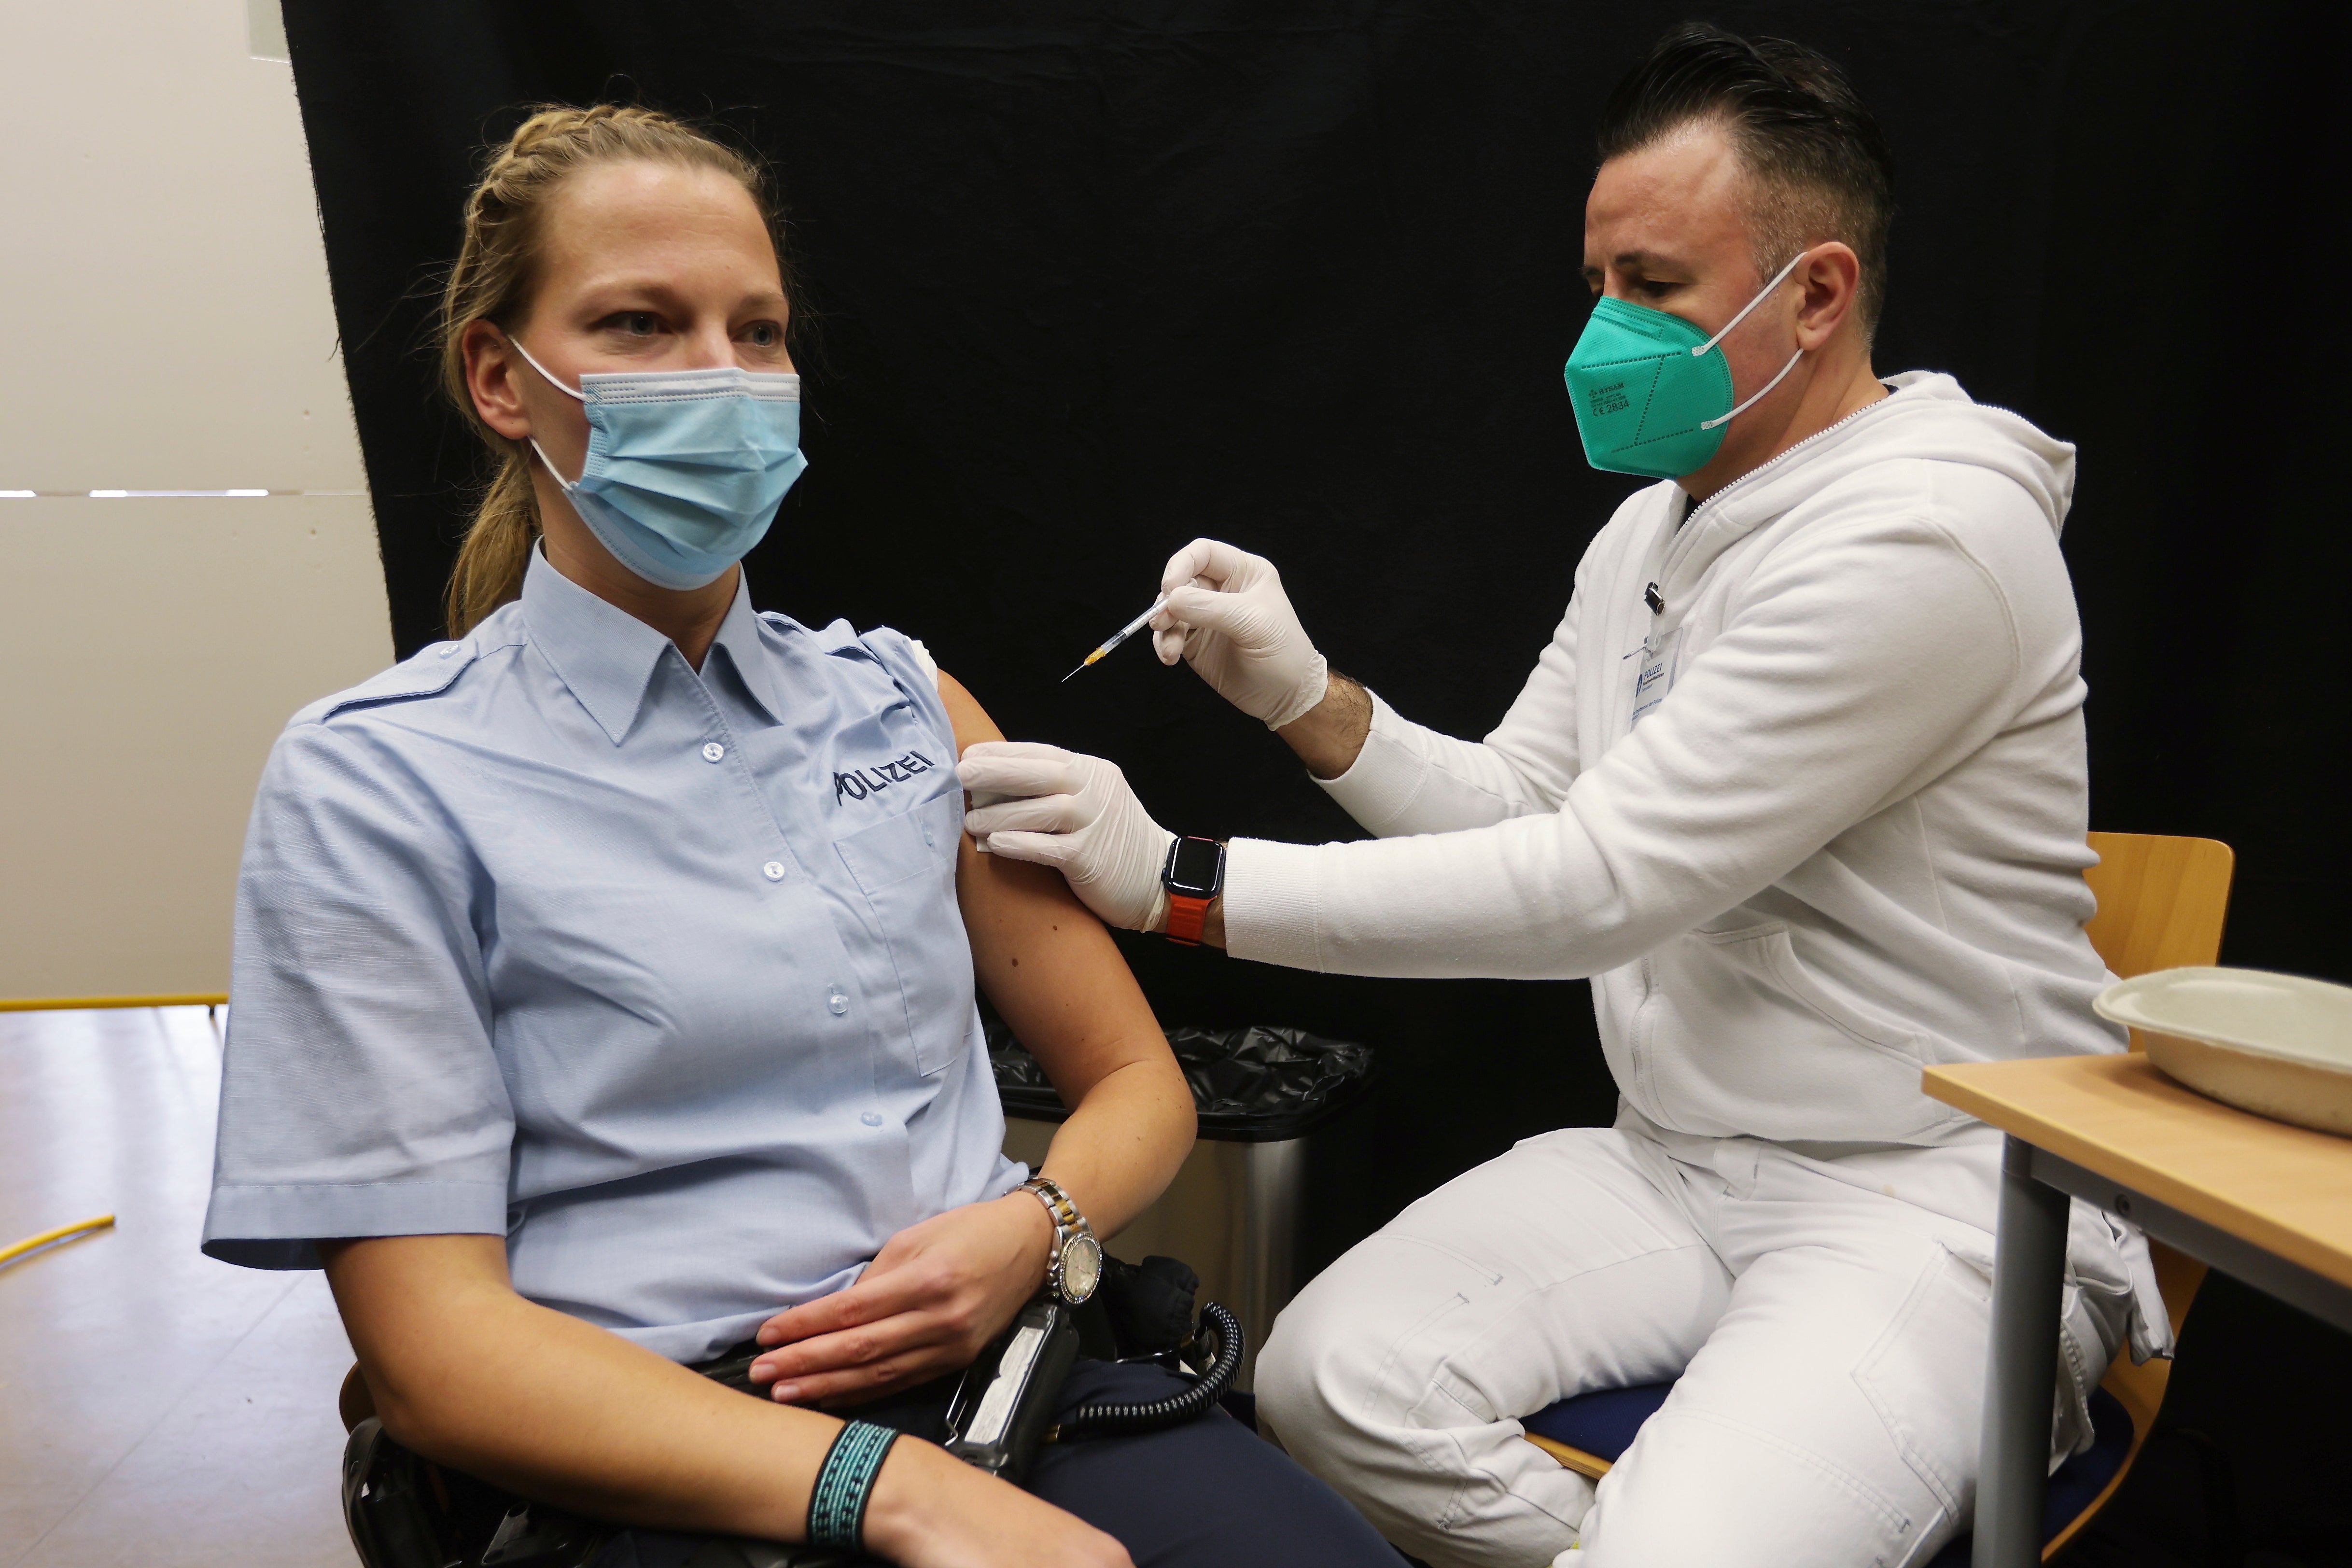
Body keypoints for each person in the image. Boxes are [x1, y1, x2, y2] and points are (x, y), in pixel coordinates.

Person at [957, 26, 2170, 1568]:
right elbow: (1524, 807)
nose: (1604, 330)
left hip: (1928, 1198)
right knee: (1332, 1389)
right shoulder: (1659, 530)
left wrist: (1178, 881)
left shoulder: (1925, 539)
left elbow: (1598, 887)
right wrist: (1309, 702)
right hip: (1676, 1155)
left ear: (1817, 293)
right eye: (1597, 284)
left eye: (1655, 285)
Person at [200, 105, 1397, 1568]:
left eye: (757, 332)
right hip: (653, 1441)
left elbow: (1136, 1081)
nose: (721, 375)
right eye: (642, 324)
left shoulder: (905, 704)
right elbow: (433, 1358)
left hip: (1020, 1377)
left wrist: (1036, 1226)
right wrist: (902, 1497)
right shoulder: (377, 784)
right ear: (498, 379)